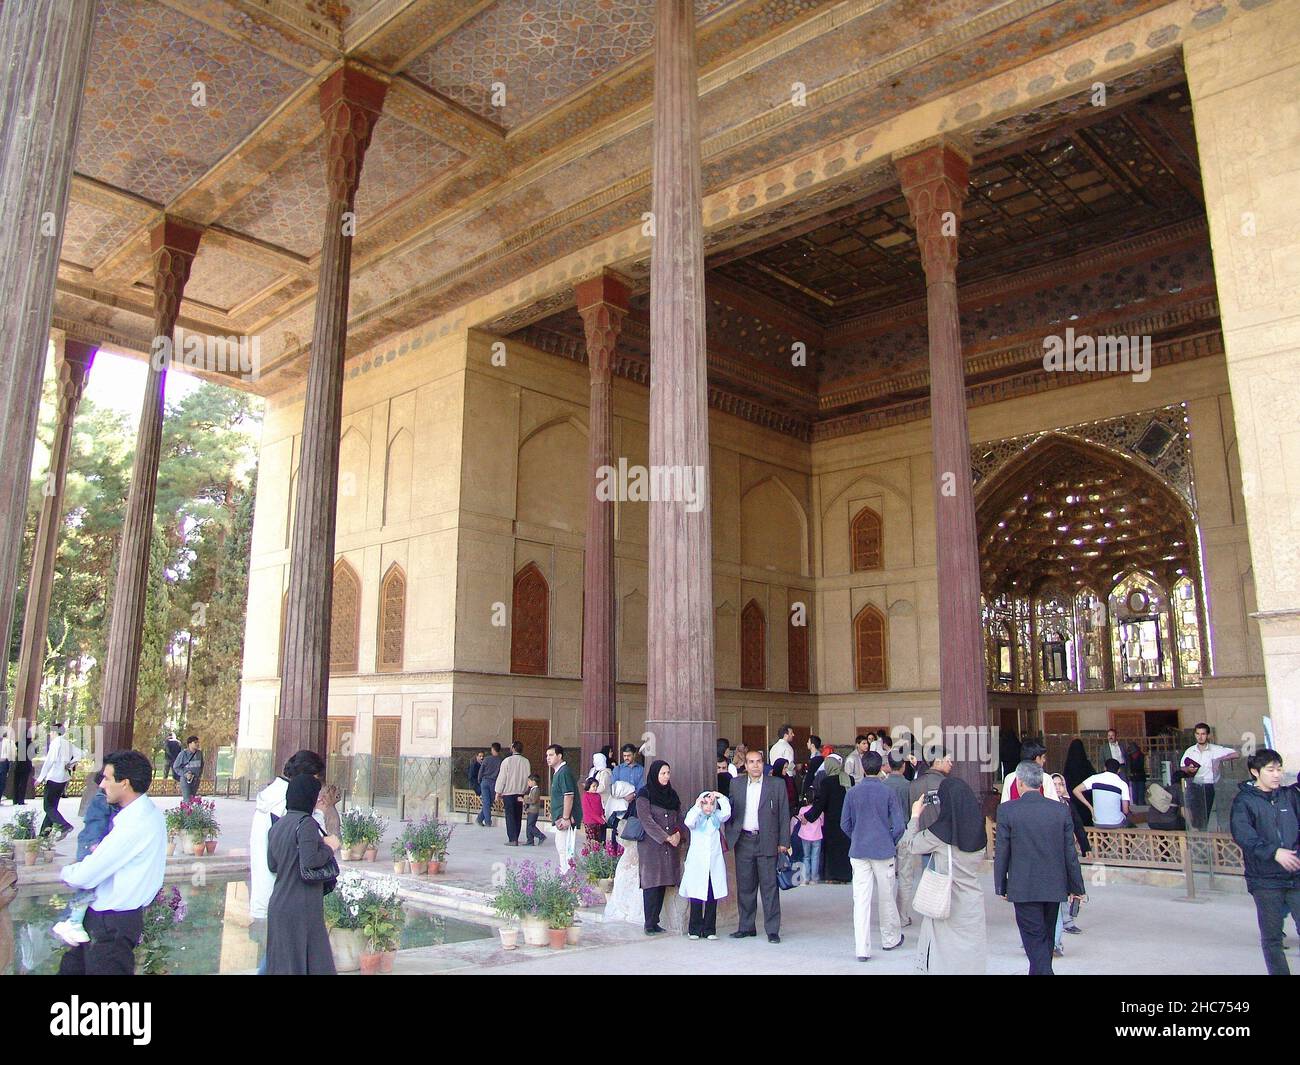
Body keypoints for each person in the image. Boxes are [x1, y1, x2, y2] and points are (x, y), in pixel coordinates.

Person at [57, 750, 167, 975]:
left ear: (124, 783)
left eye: (107, 778)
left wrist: (66, 872)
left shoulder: (134, 824)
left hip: (110, 926)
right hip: (110, 921)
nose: (103, 785)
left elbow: (86, 874)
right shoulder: (147, 815)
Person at [994, 760, 1085, 975]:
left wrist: (1002, 885)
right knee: (1044, 935)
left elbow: (1003, 851)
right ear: (1041, 784)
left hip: (1023, 886)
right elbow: (1070, 853)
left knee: (1034, 938)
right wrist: (1076, 887)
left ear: (1020, 782)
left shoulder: (1007, 810)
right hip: (1054, 886)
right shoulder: (1059, 810)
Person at [900, 775, 989, 974]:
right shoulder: (979, 832)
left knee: (944, 955)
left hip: (946, 901)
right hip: (972, 902)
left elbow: (910, 844)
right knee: (970, 955)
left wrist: (915, 816)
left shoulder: (939, 834)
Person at [1229, 748, 1300, 975]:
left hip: (1296, 875)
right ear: (1255, 772)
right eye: (1270, 770)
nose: (1277, 774)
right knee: (1272, 938)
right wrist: (1274, 852)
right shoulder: (1244, 801)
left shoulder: (1290, 796)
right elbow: (1244, 835)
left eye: (1279, 769)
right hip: (1265, 879)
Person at [264, 773, 341, 975]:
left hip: (279, 904)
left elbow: (272, 865)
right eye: (316, 795)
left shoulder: (277, 824)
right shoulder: (306, 823)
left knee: (284, 964)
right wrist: (329, 847)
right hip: (301, 906)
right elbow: (310, 861)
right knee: (312, 963)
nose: (319, 800)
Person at [249, 750, 328, 924]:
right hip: (285, 897)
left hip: (268, 893)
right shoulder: (287, 802)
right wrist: (320, 815)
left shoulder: (271, 794)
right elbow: (308, 849)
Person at [841, 751, 906, 959]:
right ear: (881, 767)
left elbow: (845, 824)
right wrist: (889, 840)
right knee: (886, 897)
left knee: (860, 900)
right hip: (883, 851)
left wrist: (857, 837)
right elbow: (899, 826)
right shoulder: (887, 792)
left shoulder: (852, 792)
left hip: (859, 851)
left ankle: (862, 949)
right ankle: (890, 939)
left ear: (861, 766)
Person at [726, 748, 791, 942]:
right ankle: (746, 926)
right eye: (751, 762)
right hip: (744, 840)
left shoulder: (776, 784)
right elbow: (730, 811)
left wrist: (783, 842)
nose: (755, 765)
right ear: (745, 765)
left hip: (767, 840)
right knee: (745, 886)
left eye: (758, 762)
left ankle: (772, 930)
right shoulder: (736, 784)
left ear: (763, 764)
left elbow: (784, 814)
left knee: (769, 886)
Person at [50, 770, 118, 946]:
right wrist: (95, 844)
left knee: (91, 885)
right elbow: (95, 824)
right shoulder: (101, 800)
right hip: (91, 845)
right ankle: (70, 921)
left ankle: (70, 920)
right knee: (88, 885)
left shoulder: (107, 799)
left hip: (95, 845)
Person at [637, 760, 685, 935]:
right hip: (651, 846)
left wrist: (678, 834)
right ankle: (648, 923)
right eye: (662, 773)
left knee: (663, 882)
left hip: (670, 846)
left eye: (668, 773)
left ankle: (655, 921)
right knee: (651, 882)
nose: (666, 777)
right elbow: (646, 820)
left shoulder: (672, 795)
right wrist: (665, 837)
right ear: (655, 774)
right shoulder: (645, 793)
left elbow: (679, 817)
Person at [681, 789, 730, 939]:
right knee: (696, 896)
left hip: (713, 864)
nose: (708, 807)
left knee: (711, 895)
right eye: (705, 803)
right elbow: (688, 821)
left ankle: (709, 929)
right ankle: (694, 929)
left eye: (711, 804)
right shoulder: (696, 818)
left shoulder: (717, 818)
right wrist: (697, 806)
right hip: (697, 864)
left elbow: (727, 812)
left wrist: (720, 796)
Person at [1050, 773, 1088, 954]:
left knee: (1065, 893)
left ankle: (1066, 925)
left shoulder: (1067, 805)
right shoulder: (1047, 807)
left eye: (1060, 784)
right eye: (1054, 784)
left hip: (1066, 855)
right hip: (1053, 857)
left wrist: (1085, 845)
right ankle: (1055, 939)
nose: (1058, 787)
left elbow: (1078, 826)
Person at [1181, 723, 1239, 830]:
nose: (1200, 736)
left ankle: (1205, 832)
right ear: (1195, 735)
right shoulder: (1190, 751)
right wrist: (1188, 769)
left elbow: (1236, 754)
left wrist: (1218, 760)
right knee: (1193, 811)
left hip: (1210, 784)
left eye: (1203, 734)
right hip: (1195, 783)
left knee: (1206, 813)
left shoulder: (1215, 749)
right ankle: (1197, 831)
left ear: (1207, 735)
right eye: (1198, 734)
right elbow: (1182, 767)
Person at [803, 753, 852, 883]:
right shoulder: (849, 779)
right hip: (847, 820)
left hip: (832, 821)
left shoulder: (826, 782)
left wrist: (808, 816)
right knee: (845, 848)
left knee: (832, 849)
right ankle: (845, 875)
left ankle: (831, 876)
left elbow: (821, 803)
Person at [883, 751, 915, 926]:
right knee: (905, 876)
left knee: (886, 876)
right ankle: (902, 916)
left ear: (888, 765)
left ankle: (889, 917)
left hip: (886, 833)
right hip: (904, 832)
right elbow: (913, 812)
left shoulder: (883, 785)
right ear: (903, 766)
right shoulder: (909, 786)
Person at [37, 722, 82, 837]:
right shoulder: (67, 743)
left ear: (54, 732)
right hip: (63, 778)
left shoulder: (56, 743)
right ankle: (44, 834)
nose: (50, 734)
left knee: (47, 807)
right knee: (52, 807)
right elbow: (80, 754)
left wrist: (40, 777)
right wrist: (70, 764)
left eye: (51, 731)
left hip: (53, 778)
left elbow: (49, 761)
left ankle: (64, 825)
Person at [547, 744, 581, 864]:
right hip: (561, 816)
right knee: (567, 849)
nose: (548, 758)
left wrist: (566, 817)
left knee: (564, 849)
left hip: (566, 818)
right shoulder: (558, 772)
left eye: (551, 755)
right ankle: (577, 877)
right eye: (547, 755)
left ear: (559, 756)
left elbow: (569, 796)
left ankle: (568, 879)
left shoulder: (564, 772)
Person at [1073, 758, 1131, 829]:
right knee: (1127, 820)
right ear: (1119, 770)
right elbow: (1126, 810)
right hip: (1116, 823)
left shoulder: (1094, 778)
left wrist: (1091, 808)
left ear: (1105, 768)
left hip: (1097, 822)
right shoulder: (1122, 784)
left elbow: (1076, 790)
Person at [495, 740, 531, 847]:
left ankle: (512, 839)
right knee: (518, 815)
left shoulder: (507, 761)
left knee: (510, 816)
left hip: (509, 793)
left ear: (513, 748)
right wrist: (526, 790)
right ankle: (516, 837)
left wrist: (498, 791)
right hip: (521, 792)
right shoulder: (526, 761)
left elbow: (502, 777)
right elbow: (528, 778)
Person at [1062, 738, 1098, 827]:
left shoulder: (1068, 765)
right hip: (1086, 801)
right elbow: (1093, 780)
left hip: (1073, 801)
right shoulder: (1086, 764)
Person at [795, 793, 823, 885]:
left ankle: (805, 878)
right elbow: (822, 823)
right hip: (817, 835)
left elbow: (799, 820)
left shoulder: (802, 810)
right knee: (815, 857)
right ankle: (814, 878)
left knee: (806, 857)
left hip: (805, 836)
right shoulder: (819, 811)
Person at [8, 721, 34, 805]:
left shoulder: (18, 743)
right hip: (26, 766)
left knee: (16, 782)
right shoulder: (31, 745)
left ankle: (15, 799)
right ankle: (21, 800)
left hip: (18, 765)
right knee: (23, 783)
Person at [477, 742, 503, 827]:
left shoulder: (487, 759)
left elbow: (481, 771)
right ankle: (487, 821)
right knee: (489, 802)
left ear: (492, 749)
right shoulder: (501, 761)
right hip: (494, 783)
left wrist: (479, 780)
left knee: (486, 802)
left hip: (485, 781)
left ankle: (481, 819)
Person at [172, 735, 203, 802]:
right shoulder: (183, 754)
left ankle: (188, 812)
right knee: (187, 800)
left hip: (196, 779)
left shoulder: (199, 753)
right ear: (190, 744)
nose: (197, 744)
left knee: (192, 799)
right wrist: (185, 774)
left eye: (198, 742)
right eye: (195, 742)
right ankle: (185, 812)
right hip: (186, 779)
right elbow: (176, 767)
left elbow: (202, 765)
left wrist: (199, 775)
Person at [522, 774, 547, 845]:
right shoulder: (532, 790)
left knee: (531, 826)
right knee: (529, 826)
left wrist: (524, 799)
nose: (528, 783)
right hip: (531, 810)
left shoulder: (536, 790)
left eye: (529, 781)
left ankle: (541, 836)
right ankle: (530, 840)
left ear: (533, 781)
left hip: (533, 811)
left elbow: (533, 800)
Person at [582, 778, 607, 844]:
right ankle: (591, 853)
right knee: (591, 840)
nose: (595, 788)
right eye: (593, 786)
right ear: (588, 786)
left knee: (599, 840)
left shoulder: (598, 795)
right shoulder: (586, 796)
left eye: (596, 786)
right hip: (589, 822)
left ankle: (598, 853)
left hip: (598, 822)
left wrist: (603, 816)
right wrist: (600, 820)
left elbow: (600, 807)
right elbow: (589, 811)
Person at [0, 727, 13, 805]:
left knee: (2, 783)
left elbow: (9, 755)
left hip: (4, 765)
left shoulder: (8, 742)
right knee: (2, 783)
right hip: (3, 764)